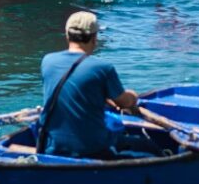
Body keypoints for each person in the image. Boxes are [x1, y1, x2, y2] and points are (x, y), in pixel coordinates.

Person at [36, 11, 139, 159]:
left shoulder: (47, 61)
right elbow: (124, 103)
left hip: (52, 147)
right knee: (148, 147)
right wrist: (133, 96)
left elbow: (74, 90)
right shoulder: (103, 68)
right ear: (94, 38)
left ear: (67, 35)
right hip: (93, 149)